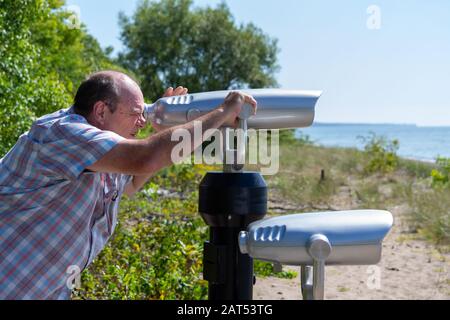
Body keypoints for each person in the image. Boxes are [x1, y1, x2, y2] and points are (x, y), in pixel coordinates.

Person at [0, 70, 257, 299]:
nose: (142, 121)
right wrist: (224, 111)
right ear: (101, 110)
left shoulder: (103, 150)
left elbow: (131, 184)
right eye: (136, 113)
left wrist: (161, 130)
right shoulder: (62, 133)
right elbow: (144, 158)